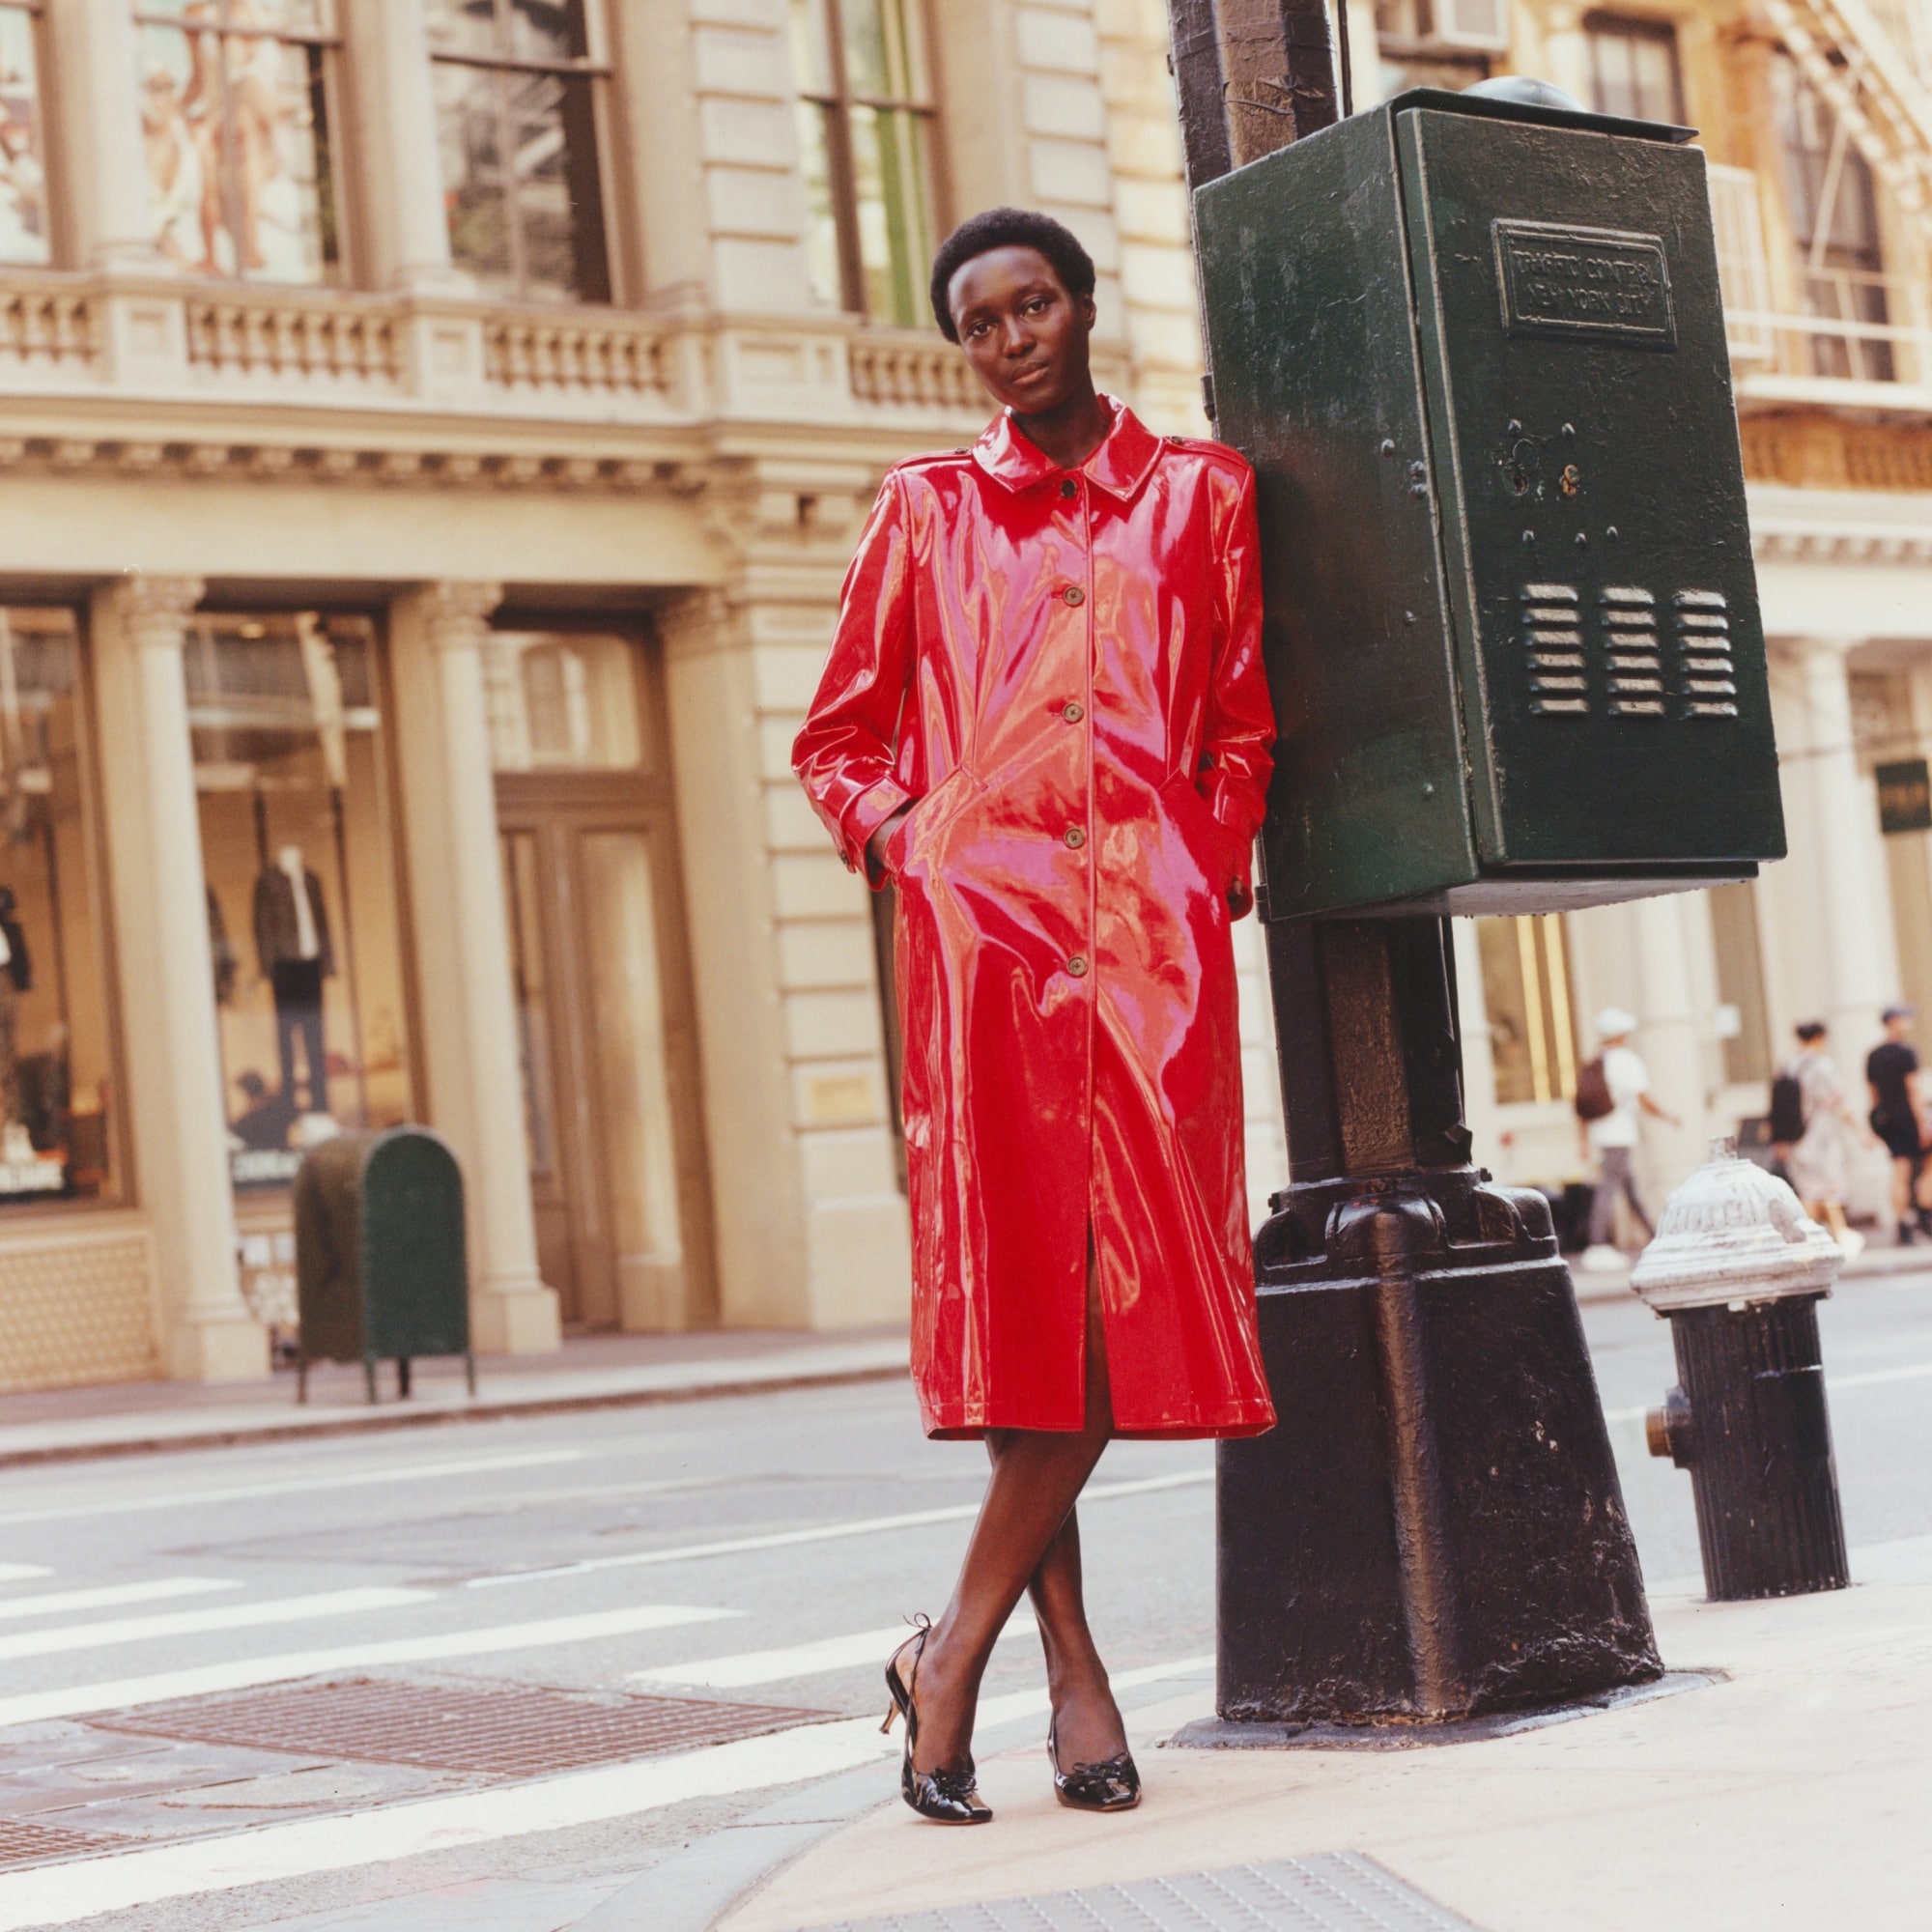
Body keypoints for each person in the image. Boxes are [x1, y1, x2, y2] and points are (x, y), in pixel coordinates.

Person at [792, 207, 1275, 1826]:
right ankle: (1072, 1684)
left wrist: (1204, 862)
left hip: (1153, 958)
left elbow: (1242, 721)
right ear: (967, 350)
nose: (1013, 336)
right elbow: (838, 737)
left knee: (1118, 1321)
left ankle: (953, 1660)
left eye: (1035, 302)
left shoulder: (1203, 495)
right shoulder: (924, 512)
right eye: (982, 322)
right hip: (986, 956)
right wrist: (914, 846)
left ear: (1081, 305)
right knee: (1032, 1336)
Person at [1577, 1007, 1679, 1271]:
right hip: (1620, 1133)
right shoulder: (1626, 1061)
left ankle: (1655, 1236)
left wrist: (1583, 1142)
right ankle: (1597, 1244)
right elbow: (1643, 1098)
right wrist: (1669, 1116)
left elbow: (1580, 1107)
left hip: (1602, 1134)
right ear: (1621, 1034)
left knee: (1628, 1187)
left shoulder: (1595, 1060)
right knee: (1609, 1187)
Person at [1784, 1020, 1867, 1257]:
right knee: (1828, 1188)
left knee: (1809, 1190)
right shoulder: (1824, 1065)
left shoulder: (1789, 1065)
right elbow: (1841, 1103)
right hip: (1822, 1134)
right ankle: (1838, 1236)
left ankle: (1809, 1239)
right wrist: (1861, 1134)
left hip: (1797, 1136)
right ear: (1820, 1037)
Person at [1865, 1005, 1930, 1244]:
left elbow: (1872, 1093)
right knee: (1927, 1165)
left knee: (1899, 1170)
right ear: (1894, 1021)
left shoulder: (1873, 1055)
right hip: (1908, 1119)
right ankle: (1925, 1214)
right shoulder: (1906, 1052)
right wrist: (1923, 1122)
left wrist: (1876, 1123)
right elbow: (1914, 1089)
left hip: (1886, 1119)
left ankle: (1903, 1225)